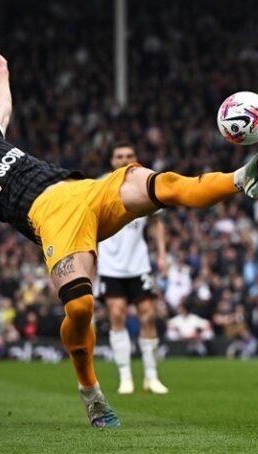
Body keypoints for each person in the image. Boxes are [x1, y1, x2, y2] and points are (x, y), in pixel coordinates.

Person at [0, 47, 258, 429]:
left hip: (85, 188)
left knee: (162, 185)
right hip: (52, 217)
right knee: (81, 309)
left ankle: (243, 178)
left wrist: (2, 71)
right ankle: (91, 394)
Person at [97, 142, 169, 395]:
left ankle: (151, 376)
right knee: (116, 316)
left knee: (148, 316)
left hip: (138, 263)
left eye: (129, 155)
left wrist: (161, 255)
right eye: (119, 156)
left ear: (136, 158)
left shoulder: (146, 182)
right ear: (112, 160)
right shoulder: (100, 185)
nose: (124, 159)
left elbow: (157, 223)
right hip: (110, 264)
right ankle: (125, 376)